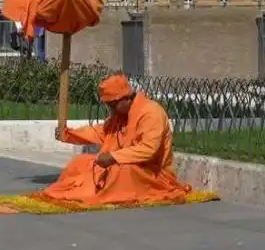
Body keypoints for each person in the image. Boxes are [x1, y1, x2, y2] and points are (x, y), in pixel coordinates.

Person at [39, 73, 191, 205]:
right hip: (119, 164)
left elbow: (147, 149)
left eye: (112, 105)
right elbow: (100, 132)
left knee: (120, 171)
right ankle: (81, 191)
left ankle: (88, 193)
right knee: (80, 162)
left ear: (126, 99)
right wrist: (68, 134)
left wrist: (113, 157)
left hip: (152, 174)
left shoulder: (151, 113)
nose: (110, 110)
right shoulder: (119, 116)